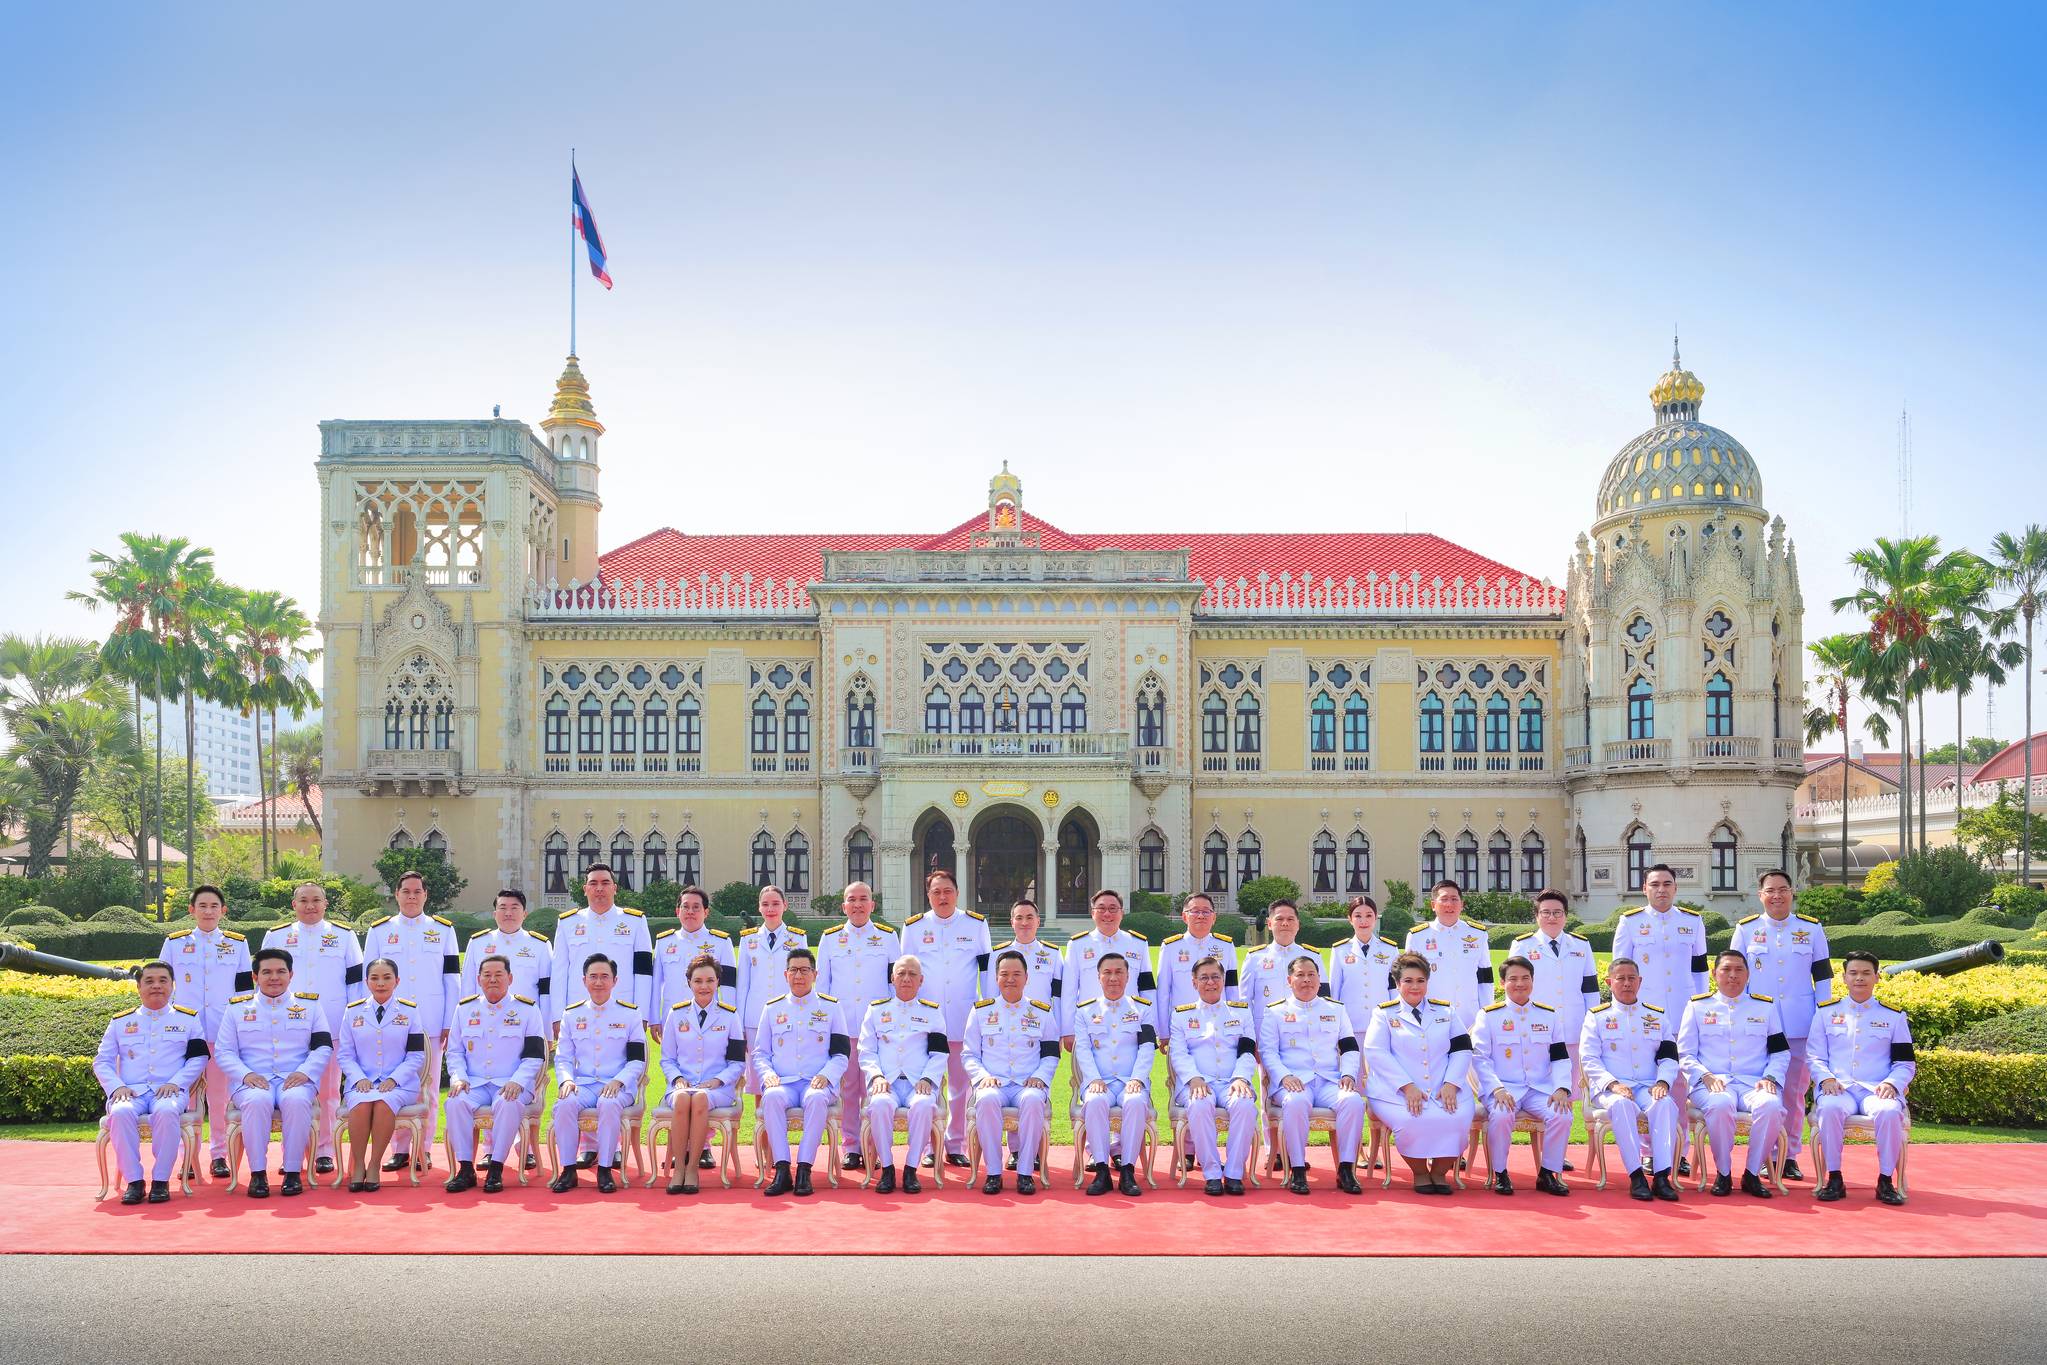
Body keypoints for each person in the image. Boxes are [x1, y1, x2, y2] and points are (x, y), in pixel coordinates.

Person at [1729, 868, 1832, 1181]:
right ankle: (1762, 1155)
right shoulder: (1746, 930)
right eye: (1770, 890)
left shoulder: (1811, 929)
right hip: (1759, 1027)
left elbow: (1824, 977)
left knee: (1794, 1093)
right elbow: (1735, 976)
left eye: (1782, 889)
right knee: (1765, 1091)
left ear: (1792, 892)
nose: (1776, 895)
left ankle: (1788, 1156)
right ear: (1760, 895)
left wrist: (1822, 1017)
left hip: (1800, 1024)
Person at [358, 872, 459, 1172]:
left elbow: (452, 978)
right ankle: (399, 1149)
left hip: (429, 1019)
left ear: (426, 894)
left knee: (426, 1088)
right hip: (389, 1022)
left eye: (417, 891)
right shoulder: (379, 931)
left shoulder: (442, 930)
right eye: (406, 891)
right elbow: (369, 978)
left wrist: (448, 1020)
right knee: (392, 1083)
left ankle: (422, 1149)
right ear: (396, 894)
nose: (411, 896)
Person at [216, 947, 333, 1199]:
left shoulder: (309, 1005)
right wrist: (245, 1075)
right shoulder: (237, 1009)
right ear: (255, 977)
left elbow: (323, 1046)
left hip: (296, 1077)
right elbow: (224, 1051)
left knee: (297, 1100)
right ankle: (258, 1173)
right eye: (266, 972)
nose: (274, 977)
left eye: (281, 971)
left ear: (291, 974)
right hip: (252, 1080)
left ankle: (292, 1172)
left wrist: (305, 1072)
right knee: (257, 1102)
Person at [261, 883, 361, 1175]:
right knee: (291, 1089)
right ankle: (290, 1153)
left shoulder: (344, 936)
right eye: (303, 901)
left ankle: (325, 1150)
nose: (310, 906)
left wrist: (352, 1023)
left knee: (329, 1092)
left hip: (331, 1024)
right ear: (294, 905)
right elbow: (267, 981)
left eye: (316, 900)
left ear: (325, 903)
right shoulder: (276, 936)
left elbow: (356, 985)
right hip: (288, 1027)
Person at [1616, 863, 1707, 1168]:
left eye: (1667, 884)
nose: (1661, 890)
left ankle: (1677, 1152)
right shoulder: (1630, 922)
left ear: (1675, 888)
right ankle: (1647, 1152)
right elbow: (1621, 973)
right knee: (1644, 1078)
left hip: (1682, 1013)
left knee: (1677, 1085)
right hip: (1643, 1016)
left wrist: (1701, 1009)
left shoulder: (1692, 922)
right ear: (1645, 889)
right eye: (1654, 884)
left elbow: (1700, 971)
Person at [93, 961, 207, 1204]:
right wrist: (117, 1087)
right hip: (130, 1092)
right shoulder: (120, 1022)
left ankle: (160, 1180)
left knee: (166, 1112)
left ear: (172, 985)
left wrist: (177, 1083)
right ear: (138, 987)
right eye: (149, 981)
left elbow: (198, 1058)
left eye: (163, 980)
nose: (156, 986)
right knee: (121, 1112)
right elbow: (102, 1061)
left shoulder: (189, 1019)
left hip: (169, 1091)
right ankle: (134, 1181)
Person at [1677, 949, 1789, 1198]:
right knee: (1720, 1104)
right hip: (1710, 1083)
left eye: (1739, 970)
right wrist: (1704, 1075)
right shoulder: (1697, 1007)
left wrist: (1770, 1078)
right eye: (1726, 969)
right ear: (1715, 974)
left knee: (1771, 1106)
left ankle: (1751, 1174)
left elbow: (1781, 1053)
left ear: (1748, 975)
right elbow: (1685, 1054)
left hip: (1753, 1083)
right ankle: (1724, 1173)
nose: (1732, 975)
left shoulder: (1764, 1007)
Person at [900, 869, 991, 1167]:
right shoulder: (914, 927)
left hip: (964, 1016)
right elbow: (905, 975)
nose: (942, 896)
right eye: (936, 891)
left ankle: (955, 1144)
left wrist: (989, 1011)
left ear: (957, 893)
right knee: (927, 1082)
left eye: (947, 890)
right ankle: (929, 1144)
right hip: (926, 1021)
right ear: (928, 895)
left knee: (960, 1086)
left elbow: (987, 971)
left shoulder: (975, 924)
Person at [1808, 950, 1915, 1205]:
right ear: (1843, 978)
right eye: (1853, 973)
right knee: (1831, 1108)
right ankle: (1834, 1178)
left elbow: (1905, 1062)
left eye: (1866, 973)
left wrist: (1892, 1083)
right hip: (1838, 1088)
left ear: (1877, 977)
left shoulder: (1893, 1016)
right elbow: (1813, 1056)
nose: (1859, 979)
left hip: (1875, 1089)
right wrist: (1825, 1078)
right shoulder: (1825, 1013)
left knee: (1889, 1112)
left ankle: (1885, 1180)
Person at [1364, 952, 1475, 1194]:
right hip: (1394, 1091)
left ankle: (1439, 1172)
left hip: (1444, 1085)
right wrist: (1407, 1086)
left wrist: (1451, 1084)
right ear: (1397, 983)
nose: (1415, 986)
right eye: (1408, 981)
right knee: (1411, 1120)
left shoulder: (1445, 1012)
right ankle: (1420, 1172)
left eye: (1420, 980)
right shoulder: (1384, 1014)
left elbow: (1463, 1049)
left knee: (1457, 1119)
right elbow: (1376, 1052)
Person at [161, 884, 250, 1179]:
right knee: (185, 1097)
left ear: (223, 911)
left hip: (223, 1030)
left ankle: (219, 1155)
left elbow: (245, 991)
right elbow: (163, 986)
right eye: (202, 906)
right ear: (191, 910)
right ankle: (188, 1159)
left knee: (219, 1096)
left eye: (214, 906)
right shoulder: (174, 943)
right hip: (186, 1033)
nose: (208, 911)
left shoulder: (237, 944)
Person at [751, 946, 851, 1197]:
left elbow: (841, 1054)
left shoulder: (830, 1007)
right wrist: (767, 1076)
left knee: (816, 1100)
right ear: (785, 975)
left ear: (815, 974)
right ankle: (782, 1169)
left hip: (815, 1083)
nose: (799, 975)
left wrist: (826, 1075)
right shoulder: (772, 1008)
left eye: (805, 970)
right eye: (794, 970)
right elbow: (760, 1053)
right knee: (771, 1097)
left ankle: (805, 1169)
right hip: (783, 1082)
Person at [1262, 954, 1365, 1195]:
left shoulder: (1335, 1009)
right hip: (1293, 1082)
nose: (1306, 980)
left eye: (1312, 975)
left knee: (1353, 1102)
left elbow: (1350, 1047)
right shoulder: (1275, 1012)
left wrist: (1349, 1074)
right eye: (1300, 975)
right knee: (1295, 1103)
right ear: (1289, 980)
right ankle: (1297, 1169)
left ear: (1319, 979)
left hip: (1329, 1081)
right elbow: (1268, 1052)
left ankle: (1346, 1169)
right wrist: (1284, 1076)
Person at [1580, 957, 1682, 1202]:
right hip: (1611, 1088)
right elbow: (1589, 1058)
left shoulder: (1656, 1016)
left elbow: (1669, 1057)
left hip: (1648, 1085)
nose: (1626, 983)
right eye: (1620, 978)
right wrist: (1612, 1084)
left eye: (1631, 978)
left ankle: (1661, 1176)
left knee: (1665, 1104)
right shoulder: (1597, 1017)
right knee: (1621, 1105)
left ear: (1640, 981)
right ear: (1609, 982)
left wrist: (1663, 1083)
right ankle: (1636, 1175)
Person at [444, 955, 547, 1194]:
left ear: (509, 978)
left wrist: (518, 1081)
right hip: (475, 1083)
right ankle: (466, 1169)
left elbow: (534, 1056)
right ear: (478, 979)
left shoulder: (527, 1010)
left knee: (508, 1104)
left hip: (511, 1082)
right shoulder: (465, 1009)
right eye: (487, 975)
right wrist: (459, 1077)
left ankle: (496, 1167)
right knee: (455, 1102)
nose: (492, 980)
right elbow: (455, 1052)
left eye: (498, 975)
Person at [1470, 956, 1572, 1196]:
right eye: (1513, 978)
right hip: (1503, 1089)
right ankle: (1500, 1173)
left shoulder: (1548, 1015)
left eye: (1525, 978)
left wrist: (1561, 1088)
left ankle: (1548, 1173)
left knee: (1563, 1114)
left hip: (1538, 1089)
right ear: (1502, 982)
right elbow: (1480, 1058)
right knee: (1502, 1114)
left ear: (1532, 981)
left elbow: (1560, 1057)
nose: (1519, 983)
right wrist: (1496, 1089)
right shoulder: (1489, 1015)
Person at [963, 951, 1060, 1196]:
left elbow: (1051, 1054)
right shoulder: (981, 1011)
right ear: (996, 978)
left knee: (1034, 1099)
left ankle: (1025, 1172)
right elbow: (969, 1054)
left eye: (1016, 974)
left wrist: (1040, 1076)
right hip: (993, 1083)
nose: (1010, 979)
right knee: (985, 1099)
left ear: (1027, 977)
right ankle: (994, 1172)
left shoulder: (1042, 1012)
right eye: (1004, 974)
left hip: (1026, 1084)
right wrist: (982, 1077)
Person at [549, 954, 647, 1194]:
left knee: (609, 1103)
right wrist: (567, 1080)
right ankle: (568, 1169)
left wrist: (619, 1080)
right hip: (583, 1084)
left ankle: (604, 1169)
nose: (599, 982)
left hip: (617, 1085)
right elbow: (562, 1057)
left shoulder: (629, 1014)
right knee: (564, 1104)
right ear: (584, 980)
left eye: (605, 977)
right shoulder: (572, 1014)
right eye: (593, 977)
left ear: (615, 981)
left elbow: (637, 1060)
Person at [818, 879, 898, 1171]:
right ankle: (851, 1146)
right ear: (844, 906)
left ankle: (875, 1146)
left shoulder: (888, 937)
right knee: (849, 1089)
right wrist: (826, 1027)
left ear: (872, 905)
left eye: (863, 899)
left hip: (877, 1029)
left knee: (876, 1088)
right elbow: (823, 987)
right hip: (843, 1026)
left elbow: (895, 984)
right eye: (852, 899)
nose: (858, 904)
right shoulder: (830, 938)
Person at [1167, 955, 1259, 1196]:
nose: (1210, 983)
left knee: (1246, 1106)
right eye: (1204, 978)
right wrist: (1194, 1078)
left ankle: (1234, 1173)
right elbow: (1178, 1053)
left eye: (1215, 977)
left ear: (1223, 980)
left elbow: (1248, 1052)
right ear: (1194, 982)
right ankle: (1212, 1173)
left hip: (1232, 1082)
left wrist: (1241, 1078)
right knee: (1199, 1106)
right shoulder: (1181, 1015)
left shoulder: (1241, 1013)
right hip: (1198, 1082)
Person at [857, 954, 949, 1194]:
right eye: (901, 974)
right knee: (878, 1106)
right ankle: (887, 1168)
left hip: (918, 1082)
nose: (906, 979)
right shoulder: (876, 1011)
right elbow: (866, 1051)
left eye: (912, 975)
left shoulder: (932, 1012)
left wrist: (928, 1079)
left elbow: (940, 1054)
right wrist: (876, 1076)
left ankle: (910, 1169)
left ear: (921, 980)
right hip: (885, 1082)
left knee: (923, 1106)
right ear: (892, 978)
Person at [985, 897, 1063, 1173]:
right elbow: (990, 994)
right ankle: (1016, 1152)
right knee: (1004, 1077)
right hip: (1005, 1025)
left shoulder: (1053, 953)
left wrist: (1063, 1030)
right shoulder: (999, 953)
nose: (1024, 922)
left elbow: (1059, 995)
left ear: (1038, 921)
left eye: (1030, 917)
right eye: (1019, 917)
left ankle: (1034, 1152)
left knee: (1036, 1087)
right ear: (1012, 922)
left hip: (1040, 1028)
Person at [335, 957, 426, 1191]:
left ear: (397, 981)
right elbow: (345, 1054)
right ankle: (358, 1166)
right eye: (374, 978)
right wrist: (359, 1079)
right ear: (367, 982)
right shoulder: (352, 1012)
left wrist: (394, 1079)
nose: (381, 983)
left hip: (399, 1084)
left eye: (387, 978)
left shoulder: (409, 1011)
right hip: (361, 1082)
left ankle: (374, 1165)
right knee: (362, 1105)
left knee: (384, 1103)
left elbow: (416, 1055)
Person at [658, 953, 745, 1196]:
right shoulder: (676, 1015)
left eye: (709, 980)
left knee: (700, 1098)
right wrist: (677, 1079)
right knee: (685, 1097)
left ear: (718, 981)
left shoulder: (730, 1016)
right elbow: (667, 1059)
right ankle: (679, 1169)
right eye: (698, 981)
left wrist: (719, 1080)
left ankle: (692, 1168)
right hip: (682, 1085)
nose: (704, 986)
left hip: (717, 1088)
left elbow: (737, 1061)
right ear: (689, 983)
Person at [1072, 954, 1155, 1197]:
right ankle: (1101, 1170)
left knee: (1136, 1102)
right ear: (1098, 977)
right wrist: (1094, 1079)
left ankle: (1128, 1169)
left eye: (1119, 972)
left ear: (1128, 977)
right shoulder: (1085, 1011)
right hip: (1100, 1081)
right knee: (1095, 1101)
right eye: (1107, 972)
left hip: (1132, 1079)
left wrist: (1137, 1079)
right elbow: (1084, 1050)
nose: (1113, 978)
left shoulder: (1142, 1009)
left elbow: (1147, 1047)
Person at [1507, 889, 1599, 1092]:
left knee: (1575, 1087)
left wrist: (1593, 1023)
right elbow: (1513, 990)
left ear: (1566, 915)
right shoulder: (1522, 945)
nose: (1552, 917)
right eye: (1546, 912)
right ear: (1537, 916)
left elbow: (1590, 989)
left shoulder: (1581, 945)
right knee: (1538, 1087)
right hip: (1535, 1029)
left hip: (1573, 1026)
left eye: (1557, 912)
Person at [552, 862, 656, 1020]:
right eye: (593, 883)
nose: (599, 888)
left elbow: (643, 972)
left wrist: (641, 1015)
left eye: (605, 883)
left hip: (623, 1010)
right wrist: (557, 1016)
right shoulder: (567, 923)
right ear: (585, 889)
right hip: (578, 1011)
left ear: (615, 888)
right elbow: (558, 972)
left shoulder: (635, 921)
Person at [736, 883, 808, 1099]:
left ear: (785, 905)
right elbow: (743, 985)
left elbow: (801, 981)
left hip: (787, 1015)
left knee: (785, 1074)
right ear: (759, 908)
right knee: (760, 1078)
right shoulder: (748, 939)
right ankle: (762, 1132)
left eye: (776, 903)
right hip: (755, 1017)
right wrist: (739, 1023)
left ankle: (779, 1129)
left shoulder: (797, 938)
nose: (771, 909)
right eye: (766, 904)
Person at [1062, 888, 1155, 1043]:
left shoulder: (1138, 943)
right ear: (1093, 913)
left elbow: (1147, 988)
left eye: (1113, 909)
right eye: (1101, 909)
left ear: (1121, 913)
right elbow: (1068, 991)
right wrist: (1068, 1030)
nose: (1107, 914)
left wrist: (1151, 1027)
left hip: (1130, 1024)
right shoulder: (1077, 945)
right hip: (1091, 1024)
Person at [1403, 881, 1494, 1028]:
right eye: (1444, 899)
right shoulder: (1417, 937)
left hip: (1469, 1018)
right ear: (1433, 905)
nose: (1449, 904)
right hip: (1431, 1019)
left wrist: (1488, 1013)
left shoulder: (1478, 934)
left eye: (1454, 899)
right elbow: (1408, 982)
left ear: (1462, 904)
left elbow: (1485, 980)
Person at [463, 888, 554, 1024]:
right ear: (494, 914)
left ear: (524, 914)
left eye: (514, 908)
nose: (508, 913)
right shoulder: (478, 943)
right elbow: (467, 986)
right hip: (484, 1019)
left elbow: (546, 991)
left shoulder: (540, 945)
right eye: (503, 908)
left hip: (526, 1021)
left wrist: (546, 1029)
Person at [1153, 892, 1239, 1031]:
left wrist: (1235, 1023)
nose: (1201, 916)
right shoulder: (1171, 947)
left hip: (1219, 1024)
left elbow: (1232, 988)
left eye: (1206, 912)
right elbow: (1163, 992)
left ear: (1214, 917)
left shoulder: (1226, 945)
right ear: (1184, 916)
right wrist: (1163, 1031)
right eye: (1195, 911)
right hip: (1182, 1024)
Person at [651, 884, 735, 1018]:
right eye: (685, 906)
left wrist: (729, 1017)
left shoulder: (721, 942)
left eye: (696, 907)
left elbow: (728, 987)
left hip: (711, 1018)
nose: (690, 911)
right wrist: (654, 1018)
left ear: (706, 912)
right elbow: (655, 984)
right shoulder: (664, 942)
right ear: (678, 911)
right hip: (672, 1018)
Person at [1328, 894, 1400, 1032]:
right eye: (1357, 916)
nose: (1363, 921)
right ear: (1350, 919)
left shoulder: (1390, 949)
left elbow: (1394, 988)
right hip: (1349, 1024)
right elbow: (1335, 989)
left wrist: (1395, 1018)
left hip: (1382, 1023)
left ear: (1375, 917)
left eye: (1368, 915)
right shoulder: (1340, 950)